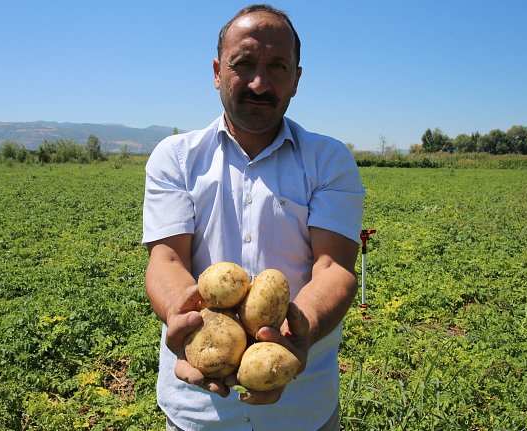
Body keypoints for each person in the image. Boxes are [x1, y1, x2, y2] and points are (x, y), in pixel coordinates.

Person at [142, 4, 365, 430]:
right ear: (216, 72)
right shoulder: (175, 157)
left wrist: (301, 330)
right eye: (243, 64)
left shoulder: (328, 160)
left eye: (277, 66)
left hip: (303, 406)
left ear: (297, 78)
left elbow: (333, 267)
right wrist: (181, 315)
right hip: (197, 409)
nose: (259, 83)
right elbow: (166, 260)